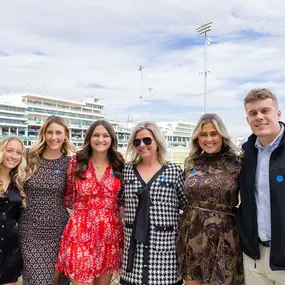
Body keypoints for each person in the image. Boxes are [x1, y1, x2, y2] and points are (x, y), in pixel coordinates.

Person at [177, 113, 244, 285]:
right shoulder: (191, 163)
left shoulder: (237, 162)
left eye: (213, 134)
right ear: (197, 138)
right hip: (191, 234)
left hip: (224, 236)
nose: (208, 139)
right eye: (203, 134)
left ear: (222, 135)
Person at [55, 120, 124, 285]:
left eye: (105, 135)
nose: (101, 139)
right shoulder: (77, 162)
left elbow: (123, 199)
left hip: (109, 235)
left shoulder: (119, 164)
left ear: (112, 139)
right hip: (81, 233)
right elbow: (69, 196)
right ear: (89, 138)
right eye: (96, 135)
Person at [119, 121, 186, 285]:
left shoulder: (174, 171)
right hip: (133, 254)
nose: (142, 145)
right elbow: (117, 201)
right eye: (137, 142)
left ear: (157, 142)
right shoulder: (126, 171)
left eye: (147, 140)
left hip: (164, 257)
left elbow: (186, 206)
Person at [236, 88, 285, 285]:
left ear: (278, 113)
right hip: (255, 257)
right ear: (247, 119)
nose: (259, 117)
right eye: (253, 113)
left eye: (265, 111)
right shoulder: (246, 153)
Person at [18, 115, 75, 285]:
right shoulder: (29, 157)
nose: (53, 137)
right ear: (43, 134)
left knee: (56, 280)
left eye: (58, 132)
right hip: (30, 230)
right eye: (49, 132)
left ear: (65, 135)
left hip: (59, 230)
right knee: (36, 279)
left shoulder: (70, 162)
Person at [0, 136, 26, 285]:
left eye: (18, 152)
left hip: (10, 250)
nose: (14, 156)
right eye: (10, 150)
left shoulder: (20, 182)